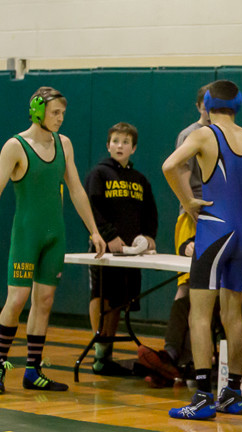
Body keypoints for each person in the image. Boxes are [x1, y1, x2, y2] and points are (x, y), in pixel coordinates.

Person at [0, 86, 107, 394]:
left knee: (45, 301)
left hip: (54, 236)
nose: (61, 118)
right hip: (26, 235)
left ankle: (33, 371)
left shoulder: (64, 144)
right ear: (38, 112)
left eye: (63, 113)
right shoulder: (16, 146)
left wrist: (94, 230)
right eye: (55, 113)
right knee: (18, 300)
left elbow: (76, 189)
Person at [162, 79, 242, 419]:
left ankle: (201, 397)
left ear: (207, 104)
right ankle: (233, 395)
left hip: (213, 230)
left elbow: (170, 166)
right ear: (238, 105)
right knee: (232, 316)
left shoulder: (204, 135)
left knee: (199, 316)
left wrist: (187, 201)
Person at [138, 84, 211, 386]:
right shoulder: (190, 135)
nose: (211, 110)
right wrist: (190, 208)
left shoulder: (230, 137)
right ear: (198, 106)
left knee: (203, 293)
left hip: (219, 217)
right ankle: (175, 357)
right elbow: (176, 172)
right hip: (195, 215)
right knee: (188, 286)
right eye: (206, 105)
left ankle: (181, 360)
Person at [85, 122, 158, 374]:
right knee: (101, 296)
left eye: (125, 142)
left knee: (119, 302)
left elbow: (150, 213)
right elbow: (92, 209)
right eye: (115, 141)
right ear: (108, 145)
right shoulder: (99, 174)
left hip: (130, 255)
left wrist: (149, 238)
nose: (120, 145)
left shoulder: (140, 180)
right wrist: (108, 236)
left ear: (133, 148)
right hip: (103, 250)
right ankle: (99, 353)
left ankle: (107, 355)